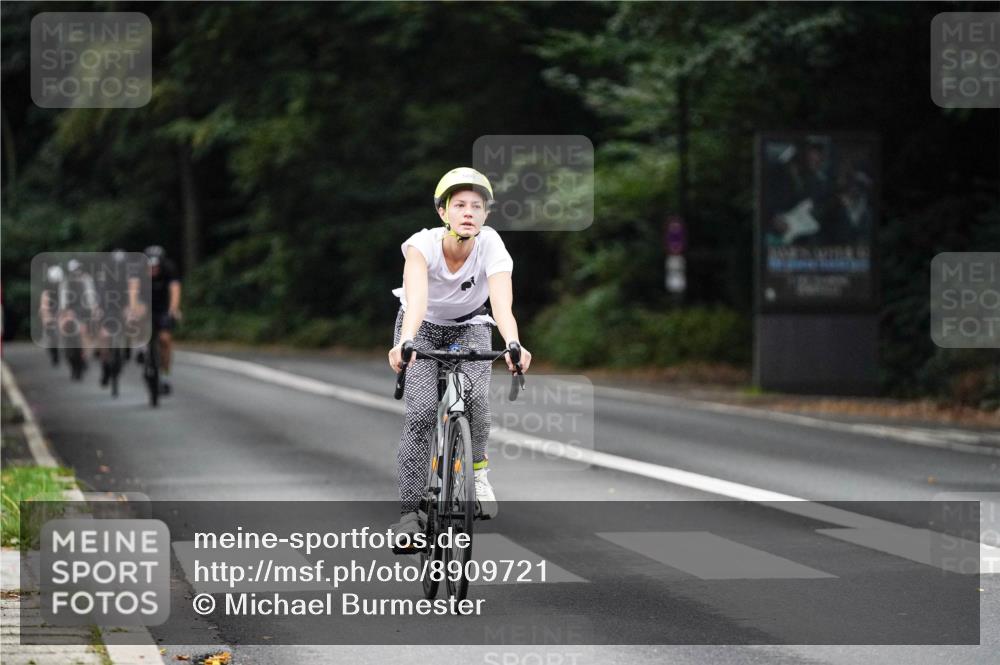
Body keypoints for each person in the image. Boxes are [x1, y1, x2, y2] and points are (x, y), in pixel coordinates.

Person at [387, 167, 532, 537]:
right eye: (460, 205)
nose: (469, 212)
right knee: (420, 414)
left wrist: (514, 343)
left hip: (470, 325)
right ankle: (409, 516)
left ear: (485, 214)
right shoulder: (421, 246)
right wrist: (405, 342)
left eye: (477, 206)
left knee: (477, 401)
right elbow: (417, 301)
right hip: (422, 325)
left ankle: (478, 473)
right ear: (443, 212)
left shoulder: (492, 245)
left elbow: (501, 305)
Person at [134, 246, 182, 394]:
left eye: (156, 267)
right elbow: (133, 291)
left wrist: (174, 308)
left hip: (162, 308)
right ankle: (141, 348)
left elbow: (175, 290)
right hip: (145, 306)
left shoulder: (169, 269)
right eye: (150, 266)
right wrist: (134, 307)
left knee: (165, 339)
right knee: (138, 319)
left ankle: (165, 374)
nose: (153, 270)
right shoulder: (139, 271)